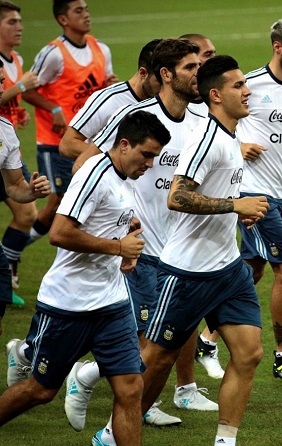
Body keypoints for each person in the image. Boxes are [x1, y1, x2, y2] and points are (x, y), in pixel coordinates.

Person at [93, 55, 269, 446]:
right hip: (187, 272)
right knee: (156, 361)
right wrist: (235, 205)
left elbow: (211, 193)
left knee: (249, 353)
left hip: (228, 269)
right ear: (216, 95)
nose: (248, 91)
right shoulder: (206, 139)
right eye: (238, 85)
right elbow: (177, 196)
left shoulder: (231, 134)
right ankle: (110, 437)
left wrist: (236, 215)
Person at [1, 110, 181, 446]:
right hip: (68, 304)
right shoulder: (94, 174)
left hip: (112, 302)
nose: (150, 164)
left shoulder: (124, 176)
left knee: (131, 387)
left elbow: (113, 218)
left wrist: (129, 236)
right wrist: (118, 248)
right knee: (41, 390)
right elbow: (61, 234)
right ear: (123, 145)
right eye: (147, 155)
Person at [65, 39, 211, 438]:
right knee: (148, 341)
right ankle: (113, 426)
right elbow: (88, 162)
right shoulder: (137, 117)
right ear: (166, 75)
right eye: (190, 67)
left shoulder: (201, 119)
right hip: (143, 248)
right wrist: (114, 219)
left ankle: (93, 377)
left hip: (180, 252)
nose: (198, 73)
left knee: (160, 343)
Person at [196, 16, 282, 384]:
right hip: (251, 192)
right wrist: (239, 146)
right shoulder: (247, 84)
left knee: (251, 270)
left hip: (279, 191)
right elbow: (206, 126)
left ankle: (206, 339)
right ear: (278, 47)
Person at [22, 0, 115, 247]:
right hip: (55, 143)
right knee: (58, 202)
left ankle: (13, 250)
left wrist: (109, 86)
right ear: (63, 19)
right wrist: (53, 108)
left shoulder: (101, 49)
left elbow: (101, 89)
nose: (86, 14)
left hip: (88, 143)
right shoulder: (53, 54)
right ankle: (14, 249)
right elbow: (28, 90)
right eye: (78, 11)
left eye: (86, 9)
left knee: (86, 199)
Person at [0, 73, 50, 345]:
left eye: (0, 81)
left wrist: (31, 190)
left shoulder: (5, 130)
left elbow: (14, 184)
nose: (0, 88)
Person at [59, 38, 162, 160]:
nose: (165, 86)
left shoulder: (165, 101)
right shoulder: (110, 99)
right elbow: (67, 145)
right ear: (143, 73)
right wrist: (116, 160)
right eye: (160, 80)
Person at [0, 1, 39, 306]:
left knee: (26, 212)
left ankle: (7, 277)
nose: (19, 26)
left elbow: (6, 101)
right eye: (12, 21)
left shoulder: (16, 59)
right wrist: (20, 87)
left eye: (20, 21)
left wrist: (18, 114)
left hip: (6, 146)